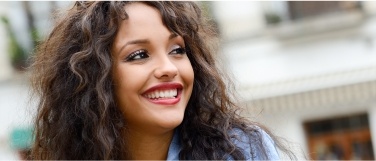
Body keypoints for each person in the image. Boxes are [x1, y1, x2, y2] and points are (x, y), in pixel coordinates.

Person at [30, 1, 295, 160]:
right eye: (139, 55)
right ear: (93, 79)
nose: (168, 68)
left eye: (177, 50)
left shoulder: (241, 150)